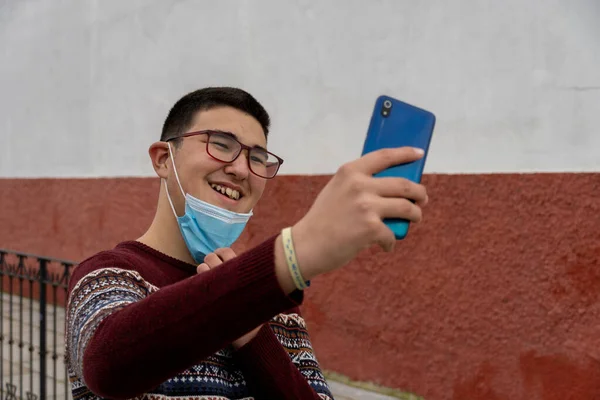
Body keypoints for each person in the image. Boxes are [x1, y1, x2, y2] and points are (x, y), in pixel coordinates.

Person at [64, 87, 428, 400]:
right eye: (221, 145)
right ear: (163, 159)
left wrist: (252, 333)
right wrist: (294, 252)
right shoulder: (107, 275)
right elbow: (108, 366)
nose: (241, 169)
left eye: (257, 158)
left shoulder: (270, 304)